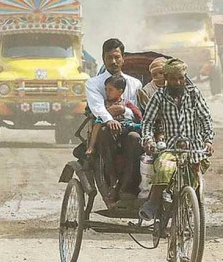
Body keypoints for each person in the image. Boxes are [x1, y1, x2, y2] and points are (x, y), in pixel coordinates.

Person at [139, 58, 214, 221]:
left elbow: (205, 118)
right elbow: (147, 122)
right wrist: (149, 140)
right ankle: (152, 203)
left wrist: (208, 141)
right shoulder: (159, 96)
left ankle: (190, 210)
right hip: (170, 148)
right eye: (174, 79)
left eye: (181, 78)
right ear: (167, 79)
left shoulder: (194, 93)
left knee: (195, 182)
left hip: (194, 150)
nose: (178, 82)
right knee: (165, 169)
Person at [85, 38, 143, 206]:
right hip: (105, 128)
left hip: (128, 128)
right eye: (109, 57)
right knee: (105, 133)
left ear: (123, 58)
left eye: (117, 57)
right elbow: (97, 107)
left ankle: (128, 188)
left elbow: (137, 111)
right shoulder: (93, 83)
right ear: (103, 58)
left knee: (135, 139)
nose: (113, 61)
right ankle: (112, 181)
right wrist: (110, 119)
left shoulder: (135, 83)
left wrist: (124, 110)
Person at [86, 75, 142, 156]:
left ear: (120, 91)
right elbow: (98, 117)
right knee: (101, 125)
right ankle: (91, 147)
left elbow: (138, 114)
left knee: (135, 136)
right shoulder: (103, 105)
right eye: (106, 89)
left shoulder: (126, 103)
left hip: (126, 127)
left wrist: (124, 111)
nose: (107, 93)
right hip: (109, 130)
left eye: (110, 90)